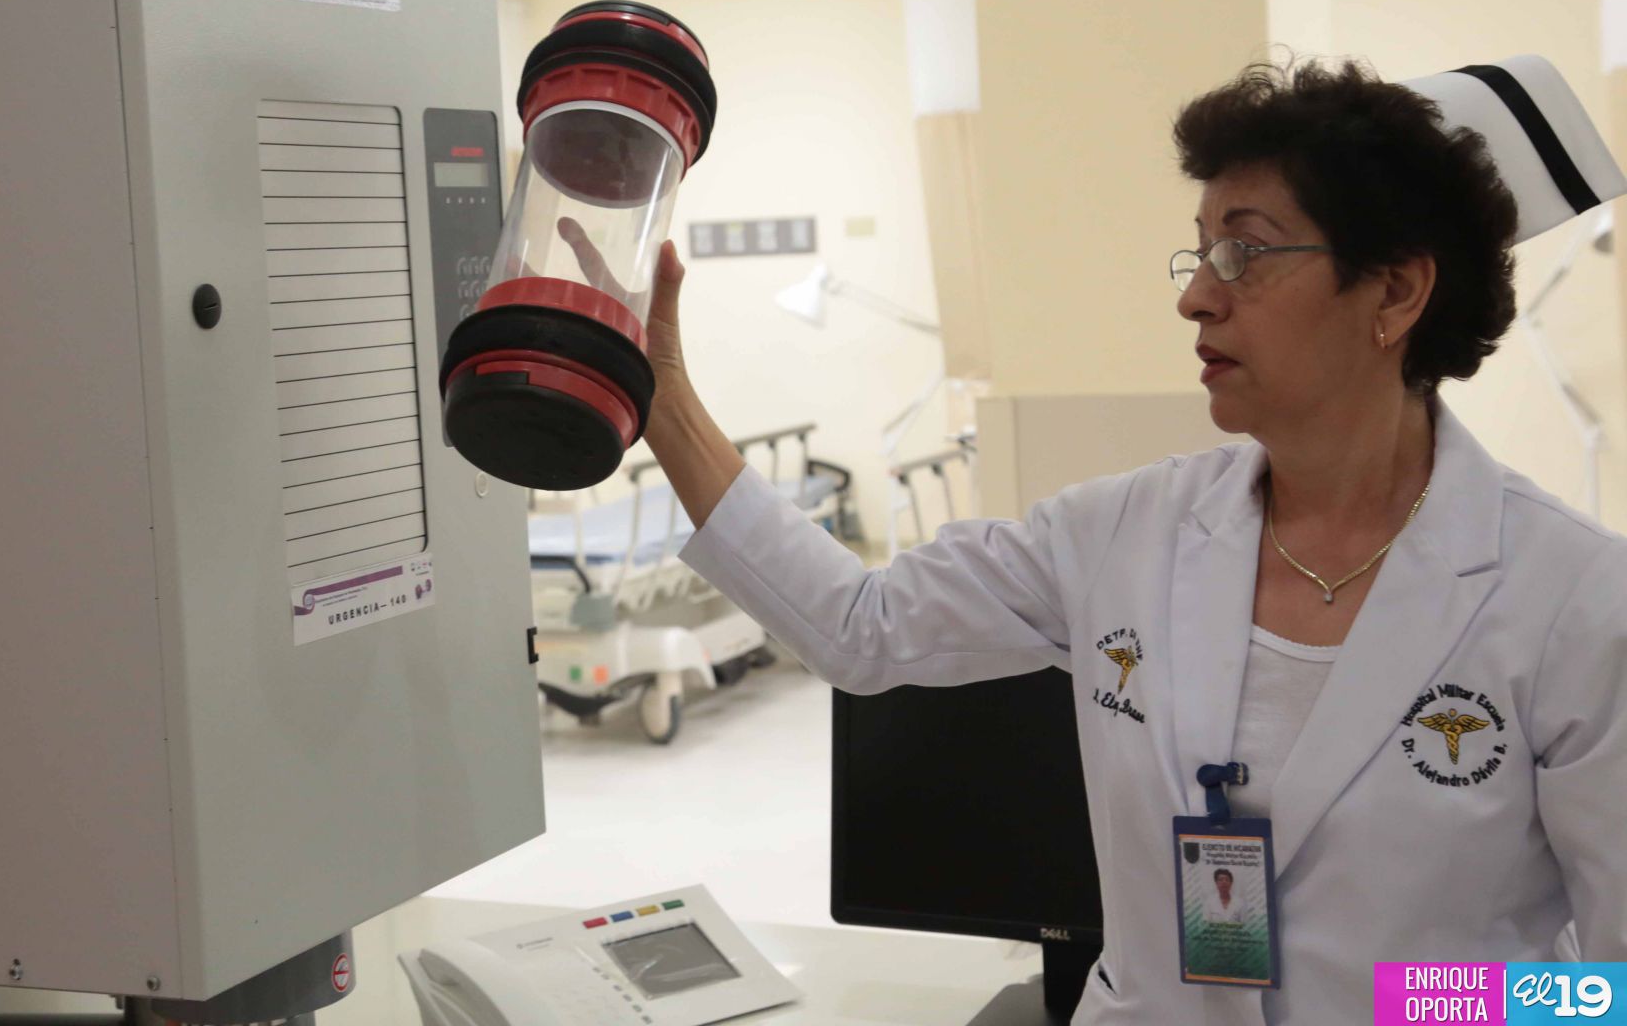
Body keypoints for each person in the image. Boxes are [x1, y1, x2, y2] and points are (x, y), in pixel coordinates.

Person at [641, 59, 1627, 1025]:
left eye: (1245, 253)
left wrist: (1427, 1006)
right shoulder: (1122, 533)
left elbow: (1606, 988)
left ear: (1395, 294)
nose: (1196, 297)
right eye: (1199, 254)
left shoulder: (1575, 601)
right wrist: (664, 401)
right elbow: (859, 628)